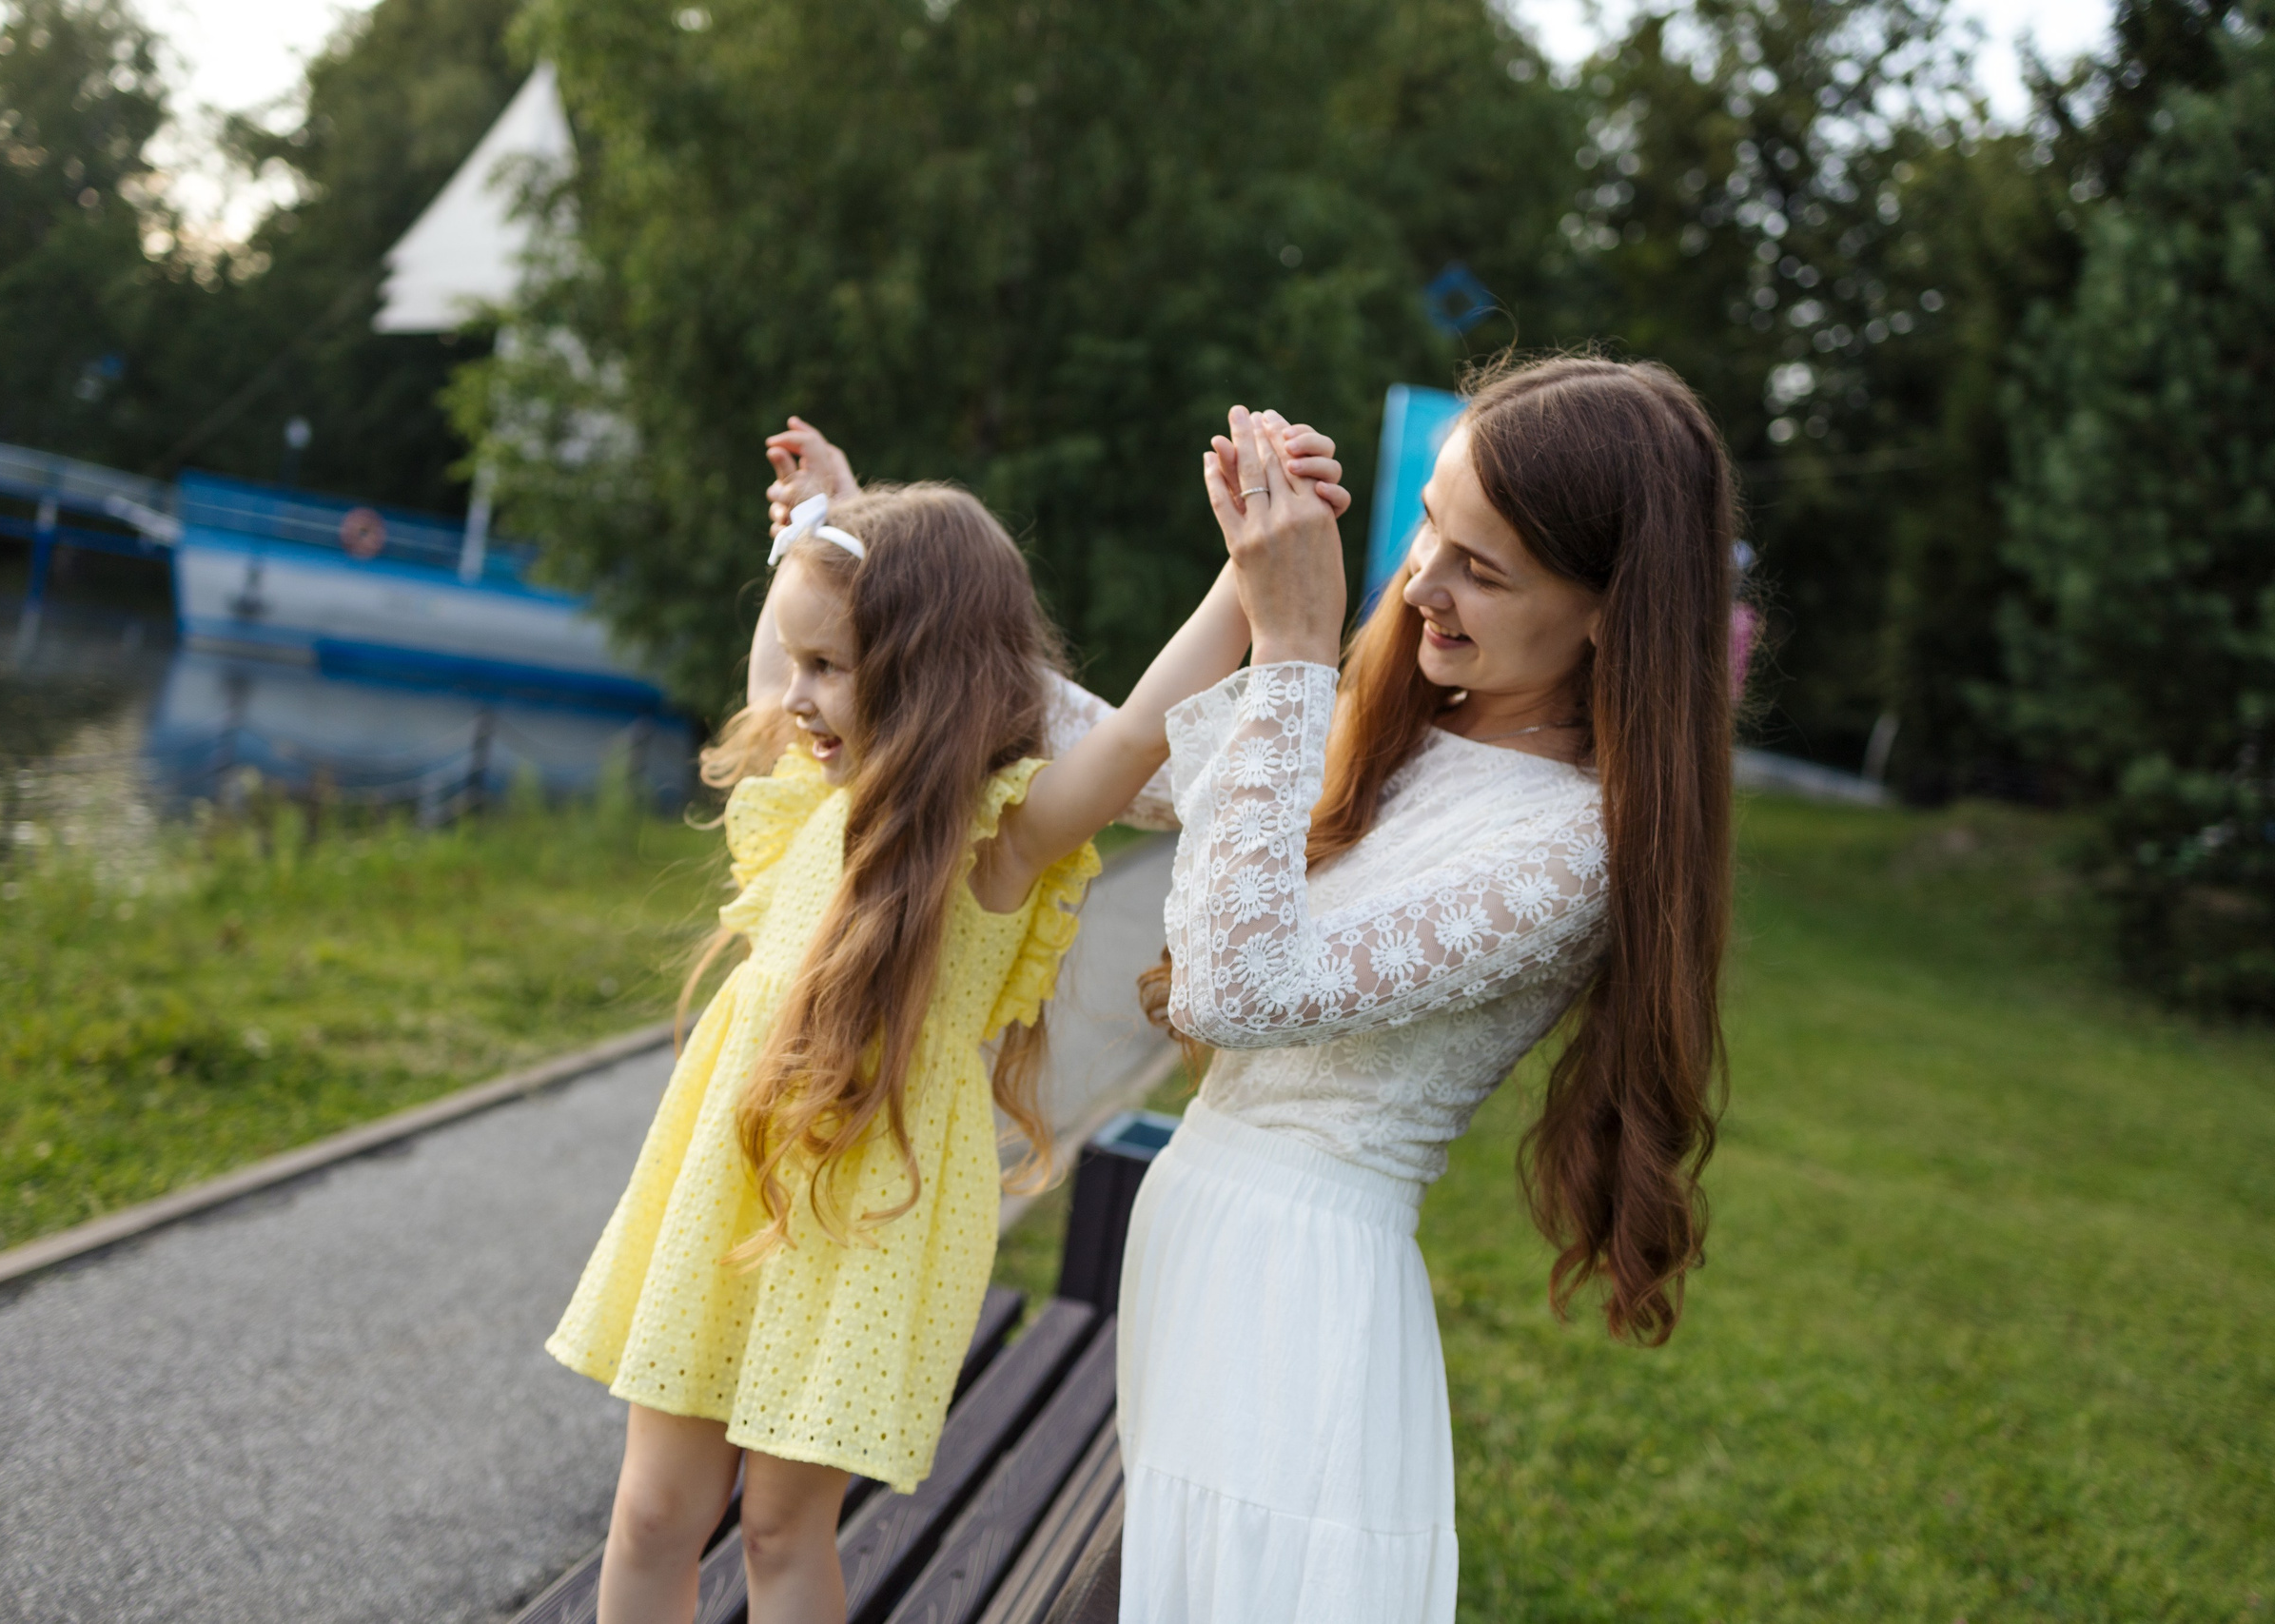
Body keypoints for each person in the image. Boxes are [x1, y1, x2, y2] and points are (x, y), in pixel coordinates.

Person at [545, 435, 1343, 1623]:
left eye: (832, 668)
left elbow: (1130, 737)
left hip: (869, 1216)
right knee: (655, 1513)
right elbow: (786, 649)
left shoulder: (997, 840)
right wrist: (830, 512)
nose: (798, 695)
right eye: (800, 661)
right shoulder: (815, 794)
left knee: (777, 1527)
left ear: (925, 674)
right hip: (733, 1174)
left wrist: (1248, 572)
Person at [1119, 356, 1738, 1623]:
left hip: (1298, 1314)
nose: (1420, 582)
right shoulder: (1420, 726)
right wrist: (881, 573)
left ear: (1610, 609)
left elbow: (1232, 984)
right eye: (1427, 528)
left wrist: (1294, 646)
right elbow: (1138, 776)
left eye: (1482, 567)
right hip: (1204, 1255)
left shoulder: (1568, 851)